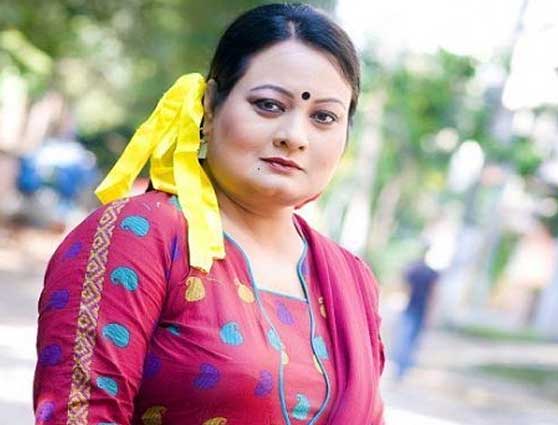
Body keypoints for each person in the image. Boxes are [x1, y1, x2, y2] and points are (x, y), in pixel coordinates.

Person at [33, 4, 385, 425]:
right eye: (269, 105)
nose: (294, 136)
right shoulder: (138, 235)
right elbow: (78, 415)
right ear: (210, 105)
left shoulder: (352, 280)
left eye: (324, 117)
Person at [391, 253, 440, 380]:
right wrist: (430, 315)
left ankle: (400, 368)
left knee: (403, 339)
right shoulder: (431, 273)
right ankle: (402, 369)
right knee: (412, 341)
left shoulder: (413, 270)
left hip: (409, 309)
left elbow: (403, 288)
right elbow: (433, 296)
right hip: (421, 311)